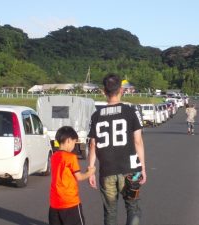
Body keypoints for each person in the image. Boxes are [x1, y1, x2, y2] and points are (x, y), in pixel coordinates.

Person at [88, 73, 146, 225]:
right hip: (131, 170)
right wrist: (143, 168)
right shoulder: (130, 112)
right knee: (132, 206)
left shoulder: (96, 115)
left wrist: (91, 169)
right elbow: (138, 141)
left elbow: (93, 144)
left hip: (107, 170)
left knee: (110, 212)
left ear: (103, 91)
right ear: (121, 89)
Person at [49, 126, 96, 225]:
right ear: (69, 140)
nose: (74, 146)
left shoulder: (54, 156)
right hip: (70, 202)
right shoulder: (71, 157)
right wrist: (90, 172)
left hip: (55, 202)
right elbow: (79, 177)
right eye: (74, 143)